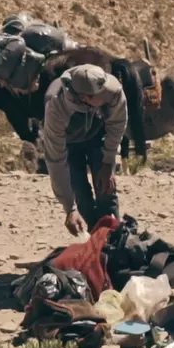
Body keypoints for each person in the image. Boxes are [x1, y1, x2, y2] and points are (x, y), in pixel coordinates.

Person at [39, 64, 128, 235]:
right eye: (101, 95)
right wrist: (69, 209)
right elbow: (55, 160)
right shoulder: (56, 106)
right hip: (69, 145)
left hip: (98, 138)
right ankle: (96, 240)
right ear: (84, 97)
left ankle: (114, 238)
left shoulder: (111, 89)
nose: (107, 94)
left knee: (106, 191)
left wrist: (108, 161)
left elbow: (117, 124)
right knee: (81, 196)